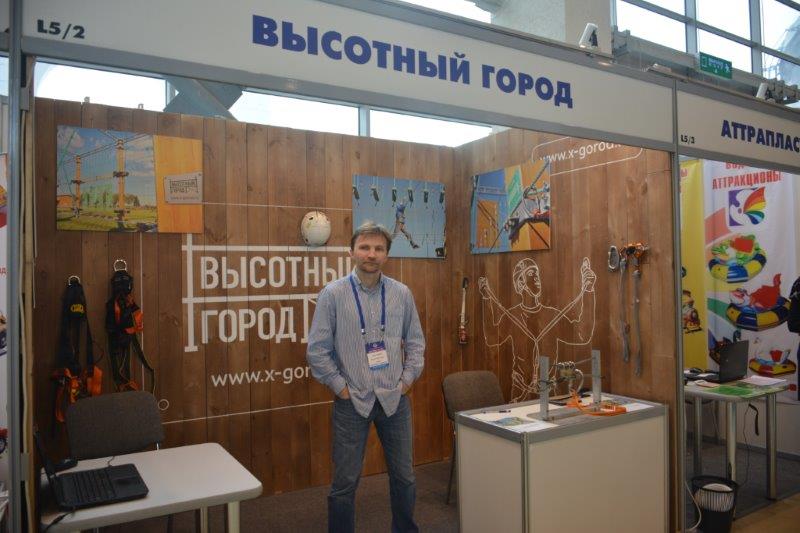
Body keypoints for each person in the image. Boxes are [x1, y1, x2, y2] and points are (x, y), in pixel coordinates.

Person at [307, 221, 425, 533]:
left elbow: (416, 343)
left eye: (378, 248)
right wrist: (340, 388)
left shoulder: (401, 294)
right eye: (364, 247)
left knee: (405, 477)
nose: (371, 254)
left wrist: (406, 382)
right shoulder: (332, 295)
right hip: (352, 402)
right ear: (352, 252)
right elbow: (317, 350)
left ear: (387, 254)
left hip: (394, 400)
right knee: (344, 483)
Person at [478, 257, 596, 402]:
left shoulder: (552, 316)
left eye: (537, 274)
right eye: (530, 274)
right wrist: (486, 299)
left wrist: (588, 290)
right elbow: (491, 339)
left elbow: (582, 336)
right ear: (520, 283)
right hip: (521, 394)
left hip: (549, 394)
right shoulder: (511, 317)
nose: (536, 278)